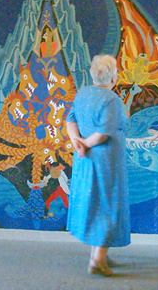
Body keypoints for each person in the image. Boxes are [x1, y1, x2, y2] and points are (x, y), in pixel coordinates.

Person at [66, 54, 130, 277]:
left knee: (95, 202)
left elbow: (70, 119)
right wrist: (86, 143)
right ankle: (98, 259)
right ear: (112, 76)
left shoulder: (83, 93)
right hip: (105, 159)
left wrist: (77, 142)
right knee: (108, 203)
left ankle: (99, 251)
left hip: (85, 159)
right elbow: (103, 133)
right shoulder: (111, 99)